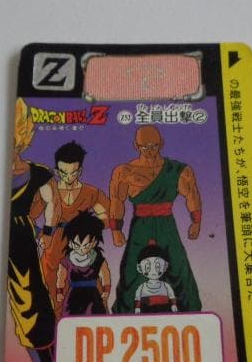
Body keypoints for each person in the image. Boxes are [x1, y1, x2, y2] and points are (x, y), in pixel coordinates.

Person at [109, 125, 202, 313]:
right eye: (144, 147)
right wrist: (116, 230)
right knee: (132, 270)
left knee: (177, 265)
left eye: (154, 146)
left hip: (167, 223)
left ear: (162, 143)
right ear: (136, 146)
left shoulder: (179, 170)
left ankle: (187, 310)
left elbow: (192, 195)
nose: (149, 151)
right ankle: (128, 313)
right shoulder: (125, 171)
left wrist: (196, 221)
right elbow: (117, 200)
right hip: (140, 225)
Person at [7, 98, 61, 362]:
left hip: (22, 240)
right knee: (18, 307)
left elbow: (52, 203)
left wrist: (47, 232)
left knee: (33, 299)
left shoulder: (37, 173)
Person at [31, 141, 109, 318]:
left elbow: (105, 215)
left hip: (81, 244)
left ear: (80, 171)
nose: (68, 177)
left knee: (89, 289)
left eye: (73, 172)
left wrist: (89, 229)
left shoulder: (91, 192)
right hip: (53, 245)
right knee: (49, 286)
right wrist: (41, 234)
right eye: (63, 172)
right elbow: (30, 216)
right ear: (57, 171)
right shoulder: (48, 191)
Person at [56, 211, 111, 316]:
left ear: (94, 243)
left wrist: (106, 290)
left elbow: (105, 275)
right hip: (73, 298)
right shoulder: (67, 260)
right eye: (77, 245)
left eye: (86, 246)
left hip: (92, 298)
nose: (81, 249)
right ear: (70, 243)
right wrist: (59, 291)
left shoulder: (97, 259)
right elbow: (61, 277)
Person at [134, 241, 178, 314]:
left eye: (157, 266)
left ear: (165, 266)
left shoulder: (166, 286)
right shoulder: (142, 287)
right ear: (139, 268)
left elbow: (171, 296)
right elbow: (137, 298)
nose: (153, 271)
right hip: (147, 311)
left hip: (164, 310)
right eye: (148, 267)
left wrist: (174, 305)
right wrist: (137, 308)